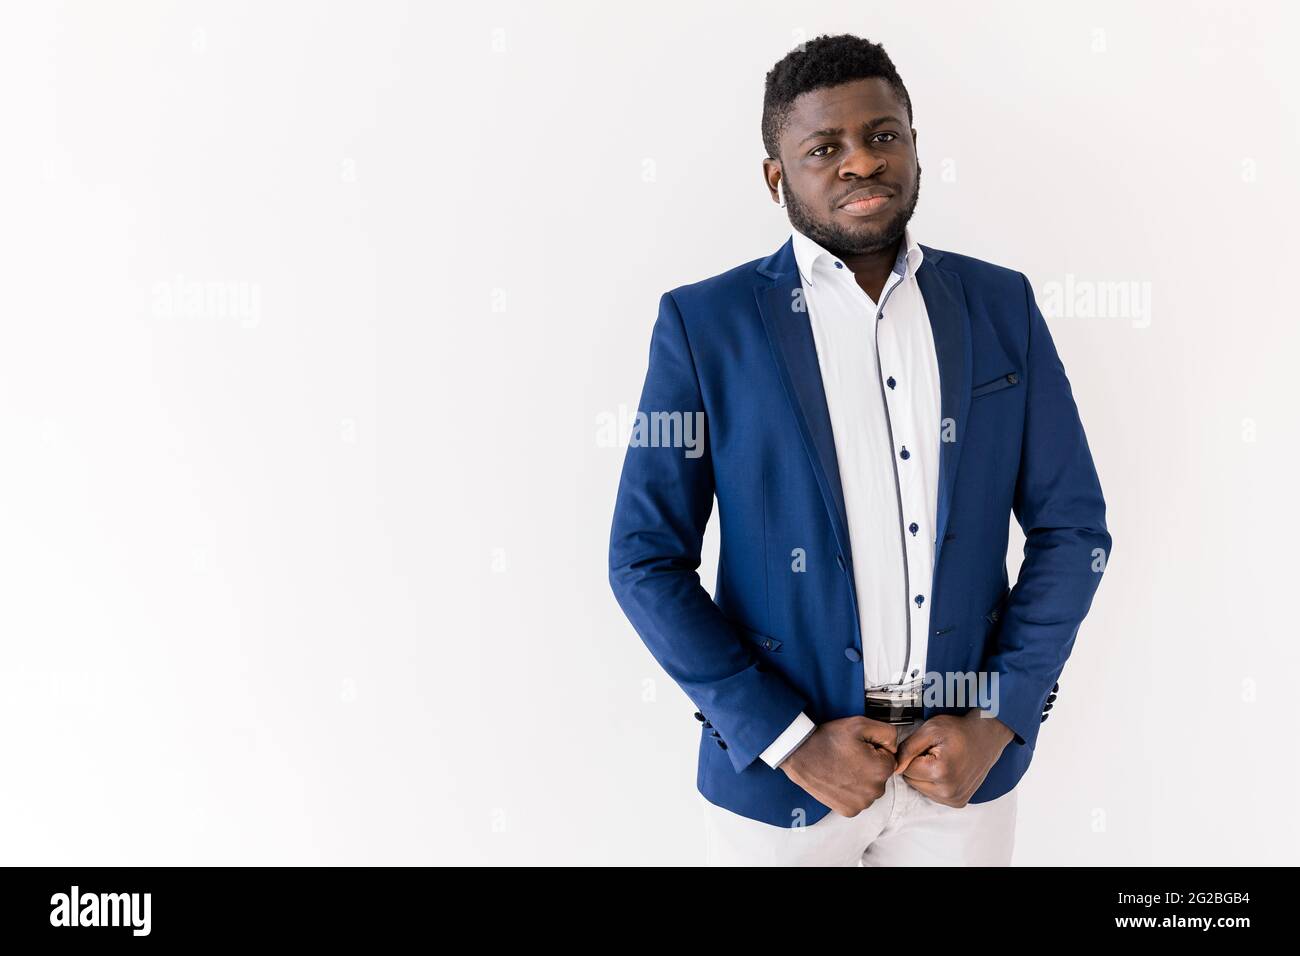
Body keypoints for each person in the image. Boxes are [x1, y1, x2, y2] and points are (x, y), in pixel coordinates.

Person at [608, 33, 1112, 866]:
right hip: (783, 788)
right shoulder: (707, 328)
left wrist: (1001, 714)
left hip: (961, 778)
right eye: (824, 147)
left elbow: (1074, 529)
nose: (861, 164)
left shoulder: (1000, 305)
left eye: (883, 135)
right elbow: (643, 557)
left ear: (913, 145)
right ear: (778, 178)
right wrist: (785, 739)